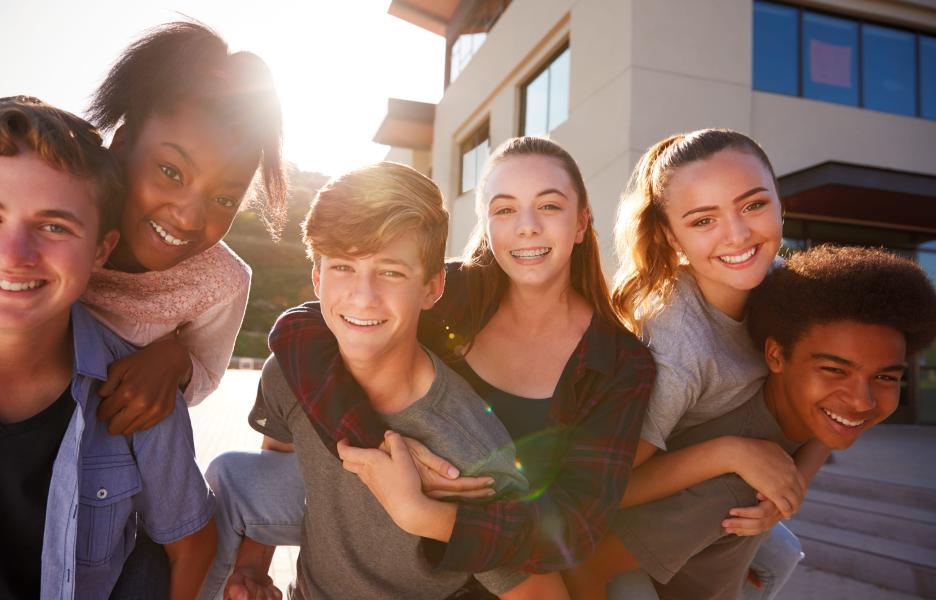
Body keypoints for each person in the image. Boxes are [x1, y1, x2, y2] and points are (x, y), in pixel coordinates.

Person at [260, 137, 655, 589]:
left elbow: (574, 524)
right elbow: (304, 330)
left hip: (515, 576)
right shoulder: (454, 295)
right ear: (486, 225)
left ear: (582, 222)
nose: (526, 227)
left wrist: (427, 513)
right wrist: (380, 450)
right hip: (396, 561)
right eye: (505, 210)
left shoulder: (619, 363)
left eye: (549, 206)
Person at [206, 161, 568, 599]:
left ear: (433, 288)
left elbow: (544, 594)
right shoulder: (290, 374)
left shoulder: (470, 458)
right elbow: (280, 460)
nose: (363, 295)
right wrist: (252, 568)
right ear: (317, 277)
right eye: (343, 267)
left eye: (391, 272)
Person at [0, 96, 215, 599]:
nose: (14, 254)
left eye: (54, 227)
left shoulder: (139, 392)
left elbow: (191, 545)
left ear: (101, 250)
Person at [564, 129, 825, 599]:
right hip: (617, 528)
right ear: (670, 234)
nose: (738, 234)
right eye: (704, 220)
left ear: (779, 202)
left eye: (753, 205)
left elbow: (834, 411)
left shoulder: (795, 292)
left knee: (780, 554)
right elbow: (607, 491)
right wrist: (730, 453)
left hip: (718, 510)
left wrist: (788, 490)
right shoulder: (672, 346)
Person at [595, 244, 936, 599]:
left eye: (886, 377)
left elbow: (829, 428)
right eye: (835, 370)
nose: (861, 400)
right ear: (774, 355)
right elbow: (595, 564)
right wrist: (729, 457)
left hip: (720, 564)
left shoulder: (795, 406)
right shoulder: (733, 483)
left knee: (780, 556)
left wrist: (794, 483)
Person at [82, 20, 286, 434]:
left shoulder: (221, 282)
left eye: (224, 199)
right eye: (171, 172)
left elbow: (205, 376)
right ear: (122, 146)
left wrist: (175, 361)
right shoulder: (59, 222)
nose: (190, 217)